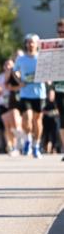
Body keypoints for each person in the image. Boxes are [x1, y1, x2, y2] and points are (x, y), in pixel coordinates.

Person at [14, 34, 46, 158]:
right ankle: (27, 140)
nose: (30, 44)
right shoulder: (21, 59)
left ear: (37, 44)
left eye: (32, 42)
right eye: (28, 42)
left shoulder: (42, 58)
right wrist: (19, 81)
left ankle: (36, 145)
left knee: (37, 121)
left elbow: (48, 71)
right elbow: (15, 71)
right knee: (27, 118)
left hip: (39, 93)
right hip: (25, 93)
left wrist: (47, 79)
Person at [0, 57, 21, 156]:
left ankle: (17, 144)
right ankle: (11, 146)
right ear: (3, 67)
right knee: (7, 126)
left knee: (15, 123)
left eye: (10, 64)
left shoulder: (17, 75)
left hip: (14, 101)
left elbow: (21, 85)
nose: (8, 66)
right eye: (6, 65)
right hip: (3, 102)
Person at [53, 18, 64, 160]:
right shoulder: (53, 46)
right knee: (63, 119)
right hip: (59, 88)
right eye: (60, 32)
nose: (62, 34)